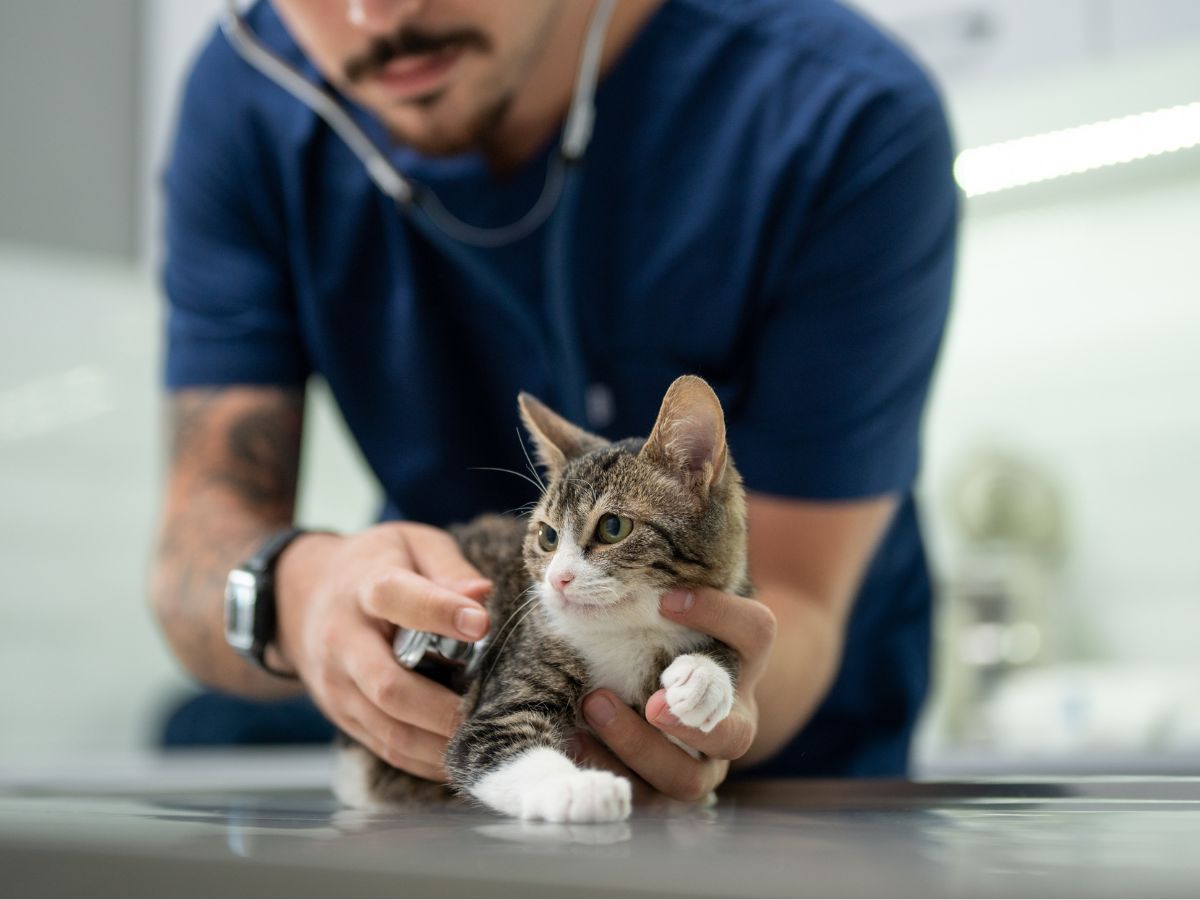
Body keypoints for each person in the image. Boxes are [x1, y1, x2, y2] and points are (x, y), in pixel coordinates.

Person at [151, 0, 957, 799]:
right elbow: (194, 550)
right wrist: (298, 592)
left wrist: (679, 709)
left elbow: (794, 602)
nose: (376, 14)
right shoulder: (250, 97)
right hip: (456, 758)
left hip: (788, 793)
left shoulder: (842, 110)